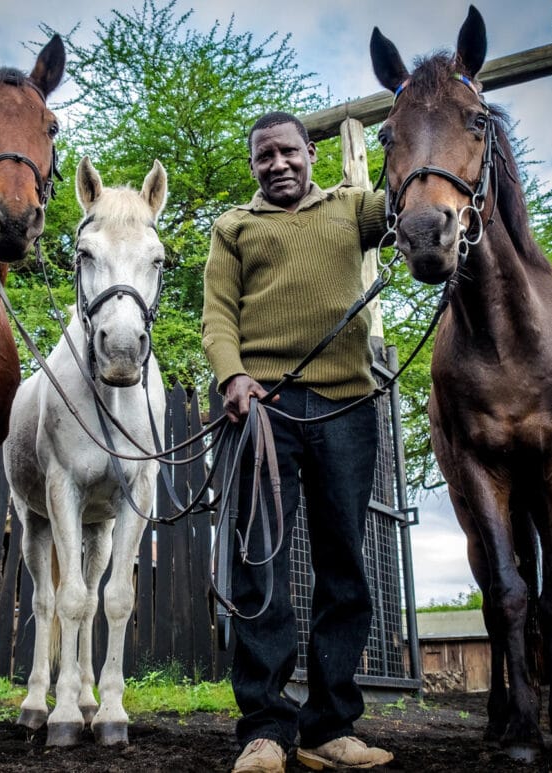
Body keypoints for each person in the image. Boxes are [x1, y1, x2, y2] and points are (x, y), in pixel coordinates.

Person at [202, 111, 394, 773]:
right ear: (253, 164)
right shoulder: (235, 226)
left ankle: (330, 726)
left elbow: (408, 194)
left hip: (347, 405)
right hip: (263, 407)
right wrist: (231, 375)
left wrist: (409, 128)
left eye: (287, 152)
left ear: (309, 153)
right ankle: (265, 730)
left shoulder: (353, 208)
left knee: (344, 564)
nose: (277, 164)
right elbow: (219, 316)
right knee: (262, 567)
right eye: (263, 157)